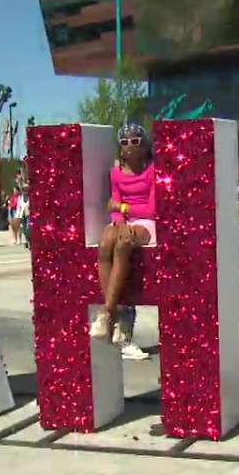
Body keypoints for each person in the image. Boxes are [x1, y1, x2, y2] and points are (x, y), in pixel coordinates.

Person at [92, 122, 156, 341]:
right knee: (106, 241)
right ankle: (112, 313)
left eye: (135, 141)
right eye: (125, 142)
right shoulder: (116, 173)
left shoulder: (152, 171)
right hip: (124, 221)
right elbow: (113, 207)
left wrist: (122, 209)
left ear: (144, 144)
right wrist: (119, 221)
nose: (130, 146)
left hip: (146, 223)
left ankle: (107, 311)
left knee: (123, 244)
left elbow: (151, 208)